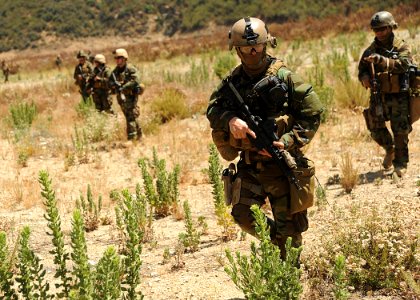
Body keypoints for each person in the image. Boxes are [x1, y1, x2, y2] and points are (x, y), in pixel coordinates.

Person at [207, 17, 323, 259]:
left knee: (289, 228)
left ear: (267, 44)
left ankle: (289, 271)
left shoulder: (284, 76)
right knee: (242, 214)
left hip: (281, 165)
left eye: (257, 46)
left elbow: (313, 111)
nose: (252, 51)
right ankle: (278, 246)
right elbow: (213, 110)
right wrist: (230, 119)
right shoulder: (233, 82)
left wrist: (289, 141)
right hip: (250, 165)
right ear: (236, 49)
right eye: (246, 47)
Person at [358, 11, 413, 177]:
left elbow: (404, 64)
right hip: (378, 96)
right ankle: (390, 150)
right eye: (376, 30)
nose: (379, 33)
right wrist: (365, 78)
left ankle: (401, 164)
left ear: (391, 27)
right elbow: (361, 70)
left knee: (400, 131)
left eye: (382, 29)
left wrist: (381, 61)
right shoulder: (369, 51)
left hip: (398, 96)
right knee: (375, 127)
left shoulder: (401, 46)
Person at [109, 48, 144, 140]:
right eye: (115, 58)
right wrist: (114, 85)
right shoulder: (115, 71)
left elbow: (136, 80)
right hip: (121, 96)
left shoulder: (130, 68)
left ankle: (131, 138)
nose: (116, 60)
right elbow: (109, 82)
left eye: (118, 58)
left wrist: (124, 86)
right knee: (129, 115)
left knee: (130, 116)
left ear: (124, 58)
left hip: (131, 95)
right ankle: (140, 134)